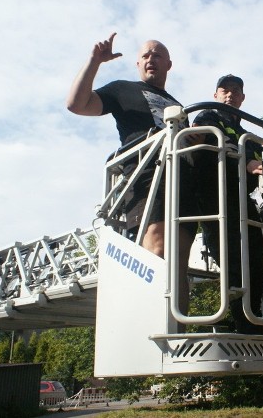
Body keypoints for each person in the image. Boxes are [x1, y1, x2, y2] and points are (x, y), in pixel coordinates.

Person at [66, 33, 196, 318]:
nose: (151, 58)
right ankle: (153, 329)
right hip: (149, 173)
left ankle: (176, 333)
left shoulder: (179, 105)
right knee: (157, 251)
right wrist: (94, 61)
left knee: (178, 266)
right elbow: (76, 104)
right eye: (146, 55)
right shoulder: (123, 89)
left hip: (185, 182)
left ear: (168, 64)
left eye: (158, 54)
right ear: (138, 63)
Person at [192, 74, 263, 335]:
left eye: (236, 91)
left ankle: (254, 320)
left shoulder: (248, 133)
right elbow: (205, 139)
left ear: (242, 97)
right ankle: (244, 324)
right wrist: (244, 160)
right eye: (224, 90)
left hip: (242, 200)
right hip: (214, 196)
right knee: (232, 261)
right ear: (216, 95)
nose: (230, 94)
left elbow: (261, 158)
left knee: (257, 264)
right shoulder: (208, 117)